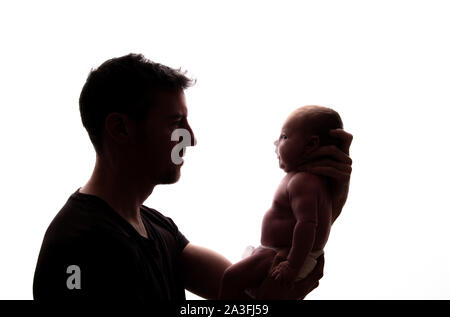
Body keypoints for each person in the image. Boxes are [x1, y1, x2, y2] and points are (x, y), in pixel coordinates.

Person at [33, 54, 353, 302]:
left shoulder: (159, 230)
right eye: (176, 123)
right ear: (120, 129)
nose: (191, 139)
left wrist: (325, 205)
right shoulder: (77, 247)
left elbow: (242, 299)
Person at [219, 106, 346, 299]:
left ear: (311, 144)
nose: (276, 142)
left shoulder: (303, 181)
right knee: (246, 293)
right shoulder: (304, 179)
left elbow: (308, 225)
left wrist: (292, 265)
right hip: (283, 253)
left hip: (286, 256)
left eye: (284, 137)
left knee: (230, 278)